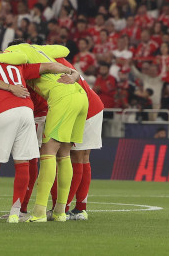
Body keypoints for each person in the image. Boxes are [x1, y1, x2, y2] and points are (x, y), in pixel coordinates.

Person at [3, 42, 84, 222]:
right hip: (79, 96)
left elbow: (19, 58)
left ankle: (39, 212)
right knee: (64, 155)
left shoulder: (18, 52)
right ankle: (60, 211)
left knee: (48, 153)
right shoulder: (40, 50)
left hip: (63, 97)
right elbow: (65, 49)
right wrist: (74, 72)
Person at [59, 57, 105, 221]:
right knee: (83, 158)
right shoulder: (61, 60)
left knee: (76, 157)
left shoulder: (52, 63)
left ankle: (63, 209)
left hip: (85, 110)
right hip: (92, 105)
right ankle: (80, 209)